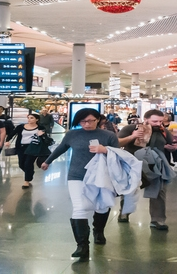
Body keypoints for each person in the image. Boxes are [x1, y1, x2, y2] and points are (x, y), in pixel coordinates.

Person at [41, 108, 119, 262]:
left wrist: (105, 150)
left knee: (102, 206)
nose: (87, 124)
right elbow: (61, 148)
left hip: (101, 176)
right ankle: (82, 246)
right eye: (83, 121)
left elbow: (118, 156)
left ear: (98, 119)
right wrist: (47, 161)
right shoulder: (72, 134)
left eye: (90, 120)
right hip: (76, 175)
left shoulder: (109, 136)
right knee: (79, 207)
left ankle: (98, 230)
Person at [117, 109, 172, 228]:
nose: (158, 124)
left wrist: (173, 146)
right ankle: (124, 212)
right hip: (133, 164)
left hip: (155, 166)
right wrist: (133, 136)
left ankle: (158, 220)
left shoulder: (163, 131)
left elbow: (171, 144)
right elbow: (118, 143)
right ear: (146, 119)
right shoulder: (131, 128)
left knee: (159, 192)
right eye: (155, 121)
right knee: (129, 190)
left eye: (160, 121)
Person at [5, 113, 52, 189]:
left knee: (28, 163)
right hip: (21, 147)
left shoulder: (40, 127)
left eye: (32, 118)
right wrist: (7, 141)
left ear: (37, 119)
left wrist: (42, 135)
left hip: (33, 147)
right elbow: (12, 134)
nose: (29, 119)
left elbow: (45, 139)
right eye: (28, 118)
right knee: (21, 164)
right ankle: (30, 173)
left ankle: (26, 181)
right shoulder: (21, 127)